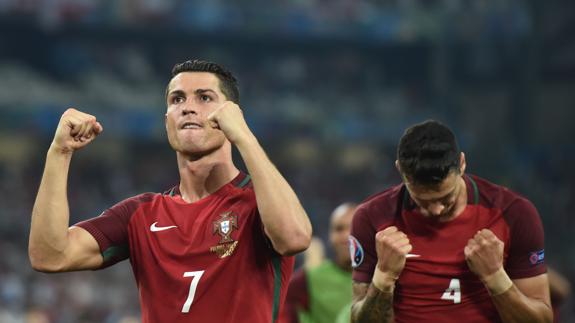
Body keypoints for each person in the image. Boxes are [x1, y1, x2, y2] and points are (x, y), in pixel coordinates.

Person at [28, 59, 312, 323]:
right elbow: (49, 256)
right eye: (177, 99)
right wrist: (59, 152)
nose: (188, 107)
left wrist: (244, 136)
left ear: (232, 115)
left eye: (204, 97)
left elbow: (295, 237)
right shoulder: (140, 214)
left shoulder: (260, 201)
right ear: (167, 122)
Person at [349, 120, 552, 322]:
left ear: (462, 164)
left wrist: (495, 276)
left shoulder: (513, 213)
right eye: (422, 200)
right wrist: (384, 276)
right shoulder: (371, 217)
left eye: (446, 198)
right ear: (400, 170)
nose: (436, 209)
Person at [281, 203, 356, 323]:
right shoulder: (307, 279)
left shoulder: (385, 277)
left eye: (354, 228)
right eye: (339, 229)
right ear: (330, 237)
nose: (346, 235)